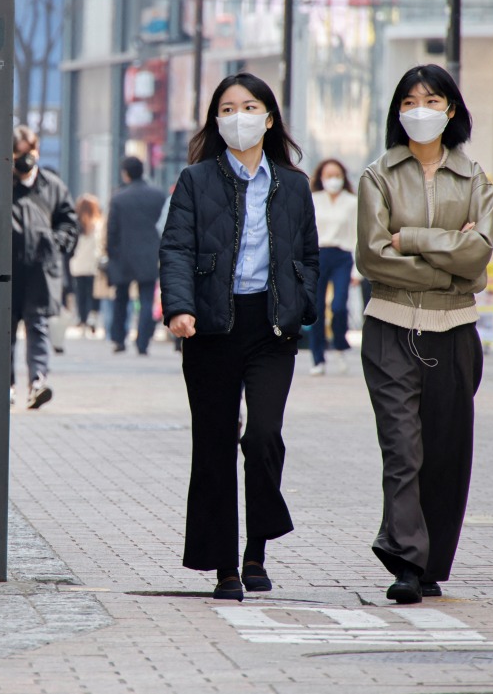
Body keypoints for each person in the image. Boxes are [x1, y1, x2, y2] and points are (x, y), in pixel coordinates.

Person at [159, 72, 319, 601]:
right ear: (215, 120)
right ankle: (228, 566)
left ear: (269, 118)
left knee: (263, 436)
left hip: (271, 329)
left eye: (248, 107)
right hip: (209, 328)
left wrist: (303, 306)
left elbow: (308, 255)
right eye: (226, 109)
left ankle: (259, 548)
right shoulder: (195, 180)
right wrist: (179, 308)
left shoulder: (294, 184)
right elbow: (176, 248)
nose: (237, 117)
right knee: (213, 445)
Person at [355, 64, 493, 604]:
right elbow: (373, 256)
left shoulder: (475, 178)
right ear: (397, 112)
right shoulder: (377, 176)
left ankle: (432, 562)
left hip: (455, 332)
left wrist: (409, 237)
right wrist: (448, 262)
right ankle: (407, 563)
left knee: (445, 452)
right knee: (402, 449)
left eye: (432, 100)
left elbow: (479, 251)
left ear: (451, 109)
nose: (420, 110)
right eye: (410, 101)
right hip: (391, 326)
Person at [10, 124, 79, 409]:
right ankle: (7, 385)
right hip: (7, 271)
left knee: (37, 327)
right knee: (4, 329)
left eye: (28, 152)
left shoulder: (52, 186)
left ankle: (37, 382)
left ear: (37, 152)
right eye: (18, 153)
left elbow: (69, 222)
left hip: (41, 271)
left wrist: (56, 242)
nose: (24, 159)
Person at [106, 156, 169, 355]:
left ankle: (118, 340)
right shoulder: (158, 195)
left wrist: (111, 253)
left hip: (123, 256)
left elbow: (112, 230)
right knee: (147, 301)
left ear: (125, 173)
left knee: (121, 299)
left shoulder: (118, 198)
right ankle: (143, 343)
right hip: (150, 255)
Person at [308, 158, 358, 375]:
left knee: (338, 306)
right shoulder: (313, 199)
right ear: (321, 177)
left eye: (337, 175)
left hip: (342, 256)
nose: (333, 180)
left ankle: (340, 344)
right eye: (329, 176)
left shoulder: (352, 202)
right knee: (316, 309)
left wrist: (358, 270)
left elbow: (358, 235)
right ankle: (318, 358)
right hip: (318, 255)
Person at [69, 194, 103, 333]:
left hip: (78, 265)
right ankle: (92, 318)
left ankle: (82, 319)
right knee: (94, 293)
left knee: (81, 294)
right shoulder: (98, 224)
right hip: (93, 266)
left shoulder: (74, 225)